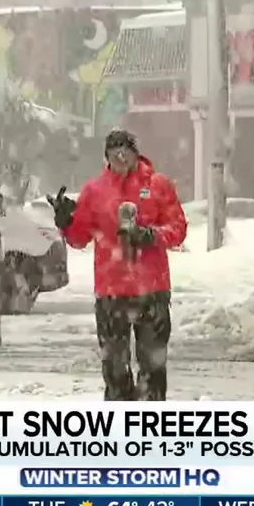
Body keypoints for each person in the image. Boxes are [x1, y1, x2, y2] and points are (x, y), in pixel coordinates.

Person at [47, 129, 187, 401]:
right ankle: (120, 429)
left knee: (153, 371)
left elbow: (178, 228)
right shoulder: (95, 190)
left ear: (136, 154)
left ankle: (151, 429)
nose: (121, 159)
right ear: (107, 158)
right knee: (115, 372)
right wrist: (66, 222)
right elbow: (79, 238)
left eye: (126, 152)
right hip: (112, 294)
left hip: (152, 292)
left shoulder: (157, 185)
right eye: (114, 154)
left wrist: (150, 235)